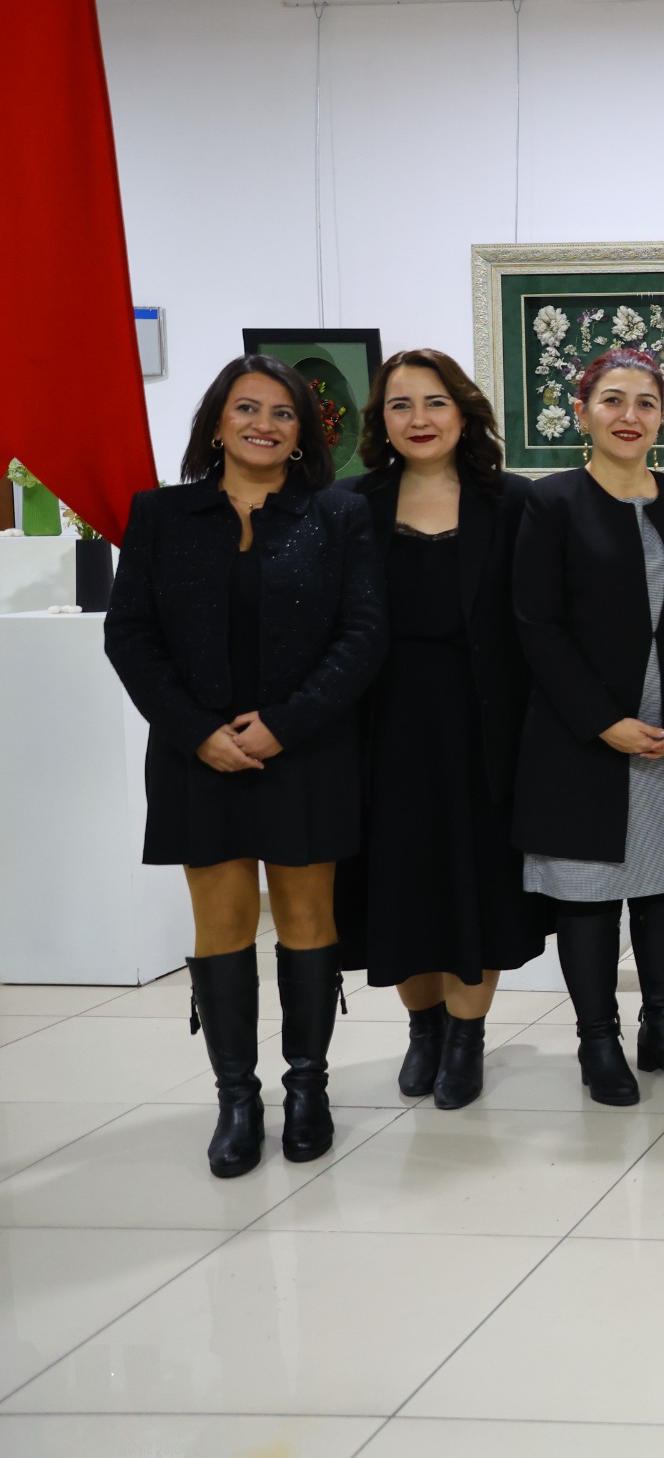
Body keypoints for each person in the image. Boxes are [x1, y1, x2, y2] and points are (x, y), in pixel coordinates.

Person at [105, 356, 386, 1177]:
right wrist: (197, 731)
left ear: (303, 434)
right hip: (199, 757)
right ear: (217, 423)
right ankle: (237, 1098)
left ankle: (307, 1089)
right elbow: (130, 634)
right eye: (247, 408)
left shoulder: (339, 513)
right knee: (222, 925)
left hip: (306, 750)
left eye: (283, 413)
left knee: (306, 919)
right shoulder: (160, 514)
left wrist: (283, 727)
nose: (264, 424)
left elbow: (364, 634)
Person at [514, 347, 664, 1107]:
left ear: (663, 416)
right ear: (582, 413)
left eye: (645, 402)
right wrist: (603, 721)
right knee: (590, 894)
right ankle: (597, 1041)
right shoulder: (551, 501)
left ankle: (662, 1029)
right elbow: (536, 626)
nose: (629, 415)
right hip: (583, 738)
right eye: (612, 400)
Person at [336, 349, 545, 1111]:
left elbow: (537, 623)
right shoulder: (350, 504)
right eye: (401, 404)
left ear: (463, 412)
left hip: (483, 727)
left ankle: (466, 1037)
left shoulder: (513, 501)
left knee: (477, 884)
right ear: (381, 419)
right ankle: (422, 1028)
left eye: (434, 402)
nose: (418, 419)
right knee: (401, 885)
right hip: (383, 728)